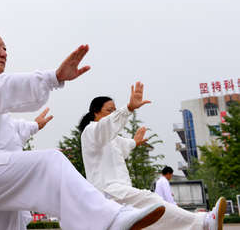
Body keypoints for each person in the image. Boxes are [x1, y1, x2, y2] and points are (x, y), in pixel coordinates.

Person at [0, 25, 165, 230]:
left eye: (5, 48)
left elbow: (9, 130)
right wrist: (54, 77)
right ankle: (109, 219)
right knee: (50, 162)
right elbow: (5, 88)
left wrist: (34, 126)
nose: (4, 53)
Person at [79, 85, 226, 230]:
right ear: (95, 113)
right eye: (109, 110)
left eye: (115, 111)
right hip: (110, 191)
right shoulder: (91, 131)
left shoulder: (112, 138)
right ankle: (204, 223)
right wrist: (128, 108)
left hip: (117, 192)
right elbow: (106, 126)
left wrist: (135, 142)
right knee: (152, 203)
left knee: (148, 220)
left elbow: (124, 145)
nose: (113, 114)